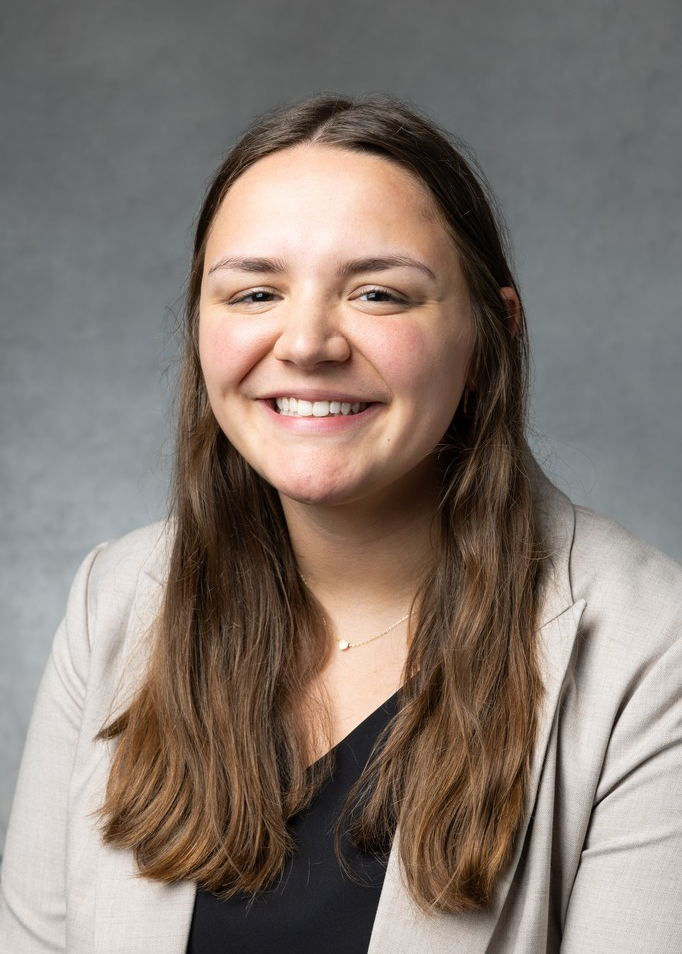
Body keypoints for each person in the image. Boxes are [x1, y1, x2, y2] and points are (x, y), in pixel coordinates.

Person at [1, 96, 680, 954]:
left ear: (490, 335)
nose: (307, 342)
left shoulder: (652, 649)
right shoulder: (114, 604)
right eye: (254, 291)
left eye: (378, 292)